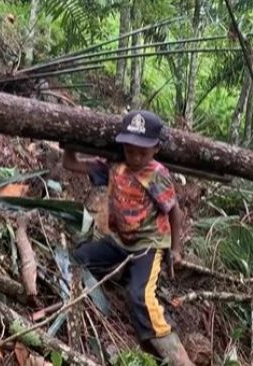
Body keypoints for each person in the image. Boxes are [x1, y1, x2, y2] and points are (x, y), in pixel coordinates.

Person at [62, 110, 194, 366]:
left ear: (155, 149)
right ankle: (121, 272)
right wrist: (69, 143)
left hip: (149, 244)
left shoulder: (157, 174)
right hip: (120, 241)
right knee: (78, 259)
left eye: (142, 152)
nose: (135, 156)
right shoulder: (114, 166)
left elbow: (175, 212)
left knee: (140, 297)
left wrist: (176, 249)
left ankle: (174, 353)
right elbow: (72, 164)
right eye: (130, 149)